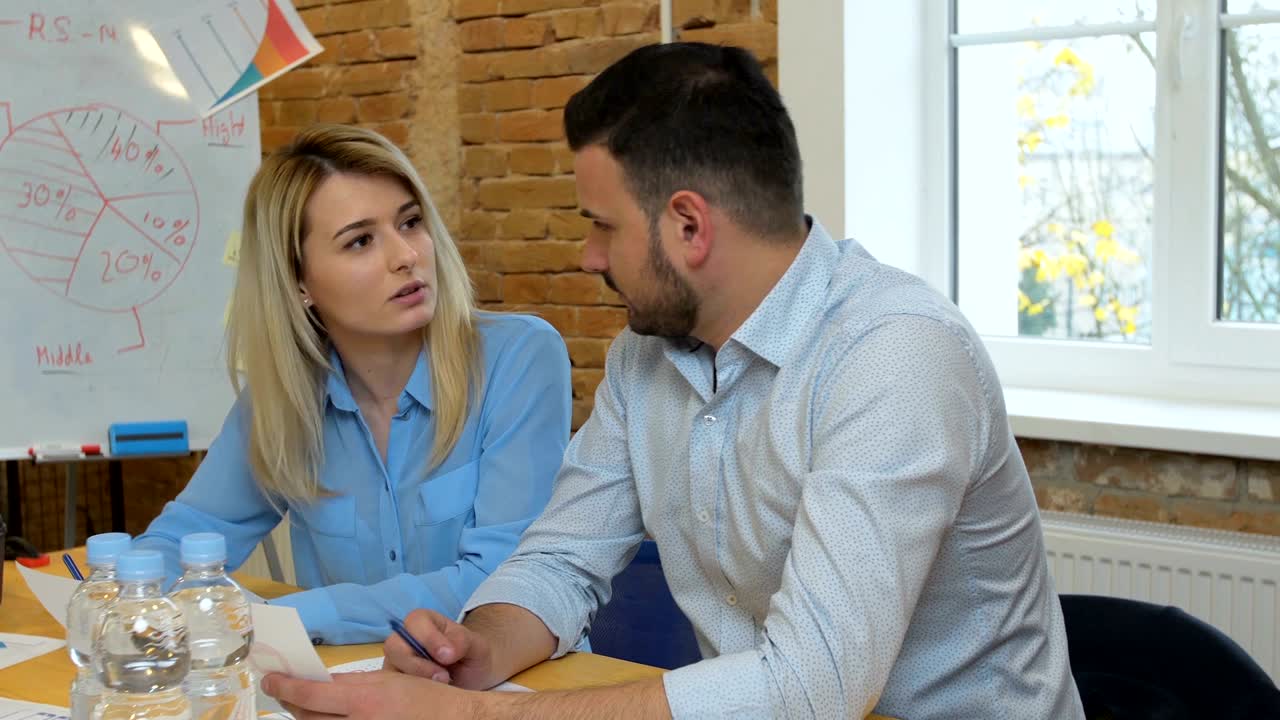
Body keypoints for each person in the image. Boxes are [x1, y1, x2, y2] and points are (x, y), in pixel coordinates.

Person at [264, 43, 1085, 718]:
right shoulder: (645, 357)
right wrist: (479, 646)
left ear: (688, 226)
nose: (588, 256)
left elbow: (816, 683)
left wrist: (486, 716)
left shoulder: (895, 355)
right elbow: (560, 561)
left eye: (602, 226)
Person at [134, 124, 571, 645]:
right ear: (299, 283)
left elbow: (502, 580)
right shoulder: (286, 397)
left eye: (410, 222)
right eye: (360, 241)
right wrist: (135, 592)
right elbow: (182, 539)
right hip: (358, 692)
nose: (405, 256)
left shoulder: (518, 357)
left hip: (514, 690)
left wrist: (294, 616)